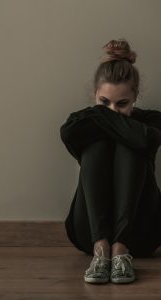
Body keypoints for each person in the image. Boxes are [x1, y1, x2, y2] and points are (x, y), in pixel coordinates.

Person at [60, 38, 161, 284]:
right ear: (95, 94)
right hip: (88, 232)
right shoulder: (81, 123)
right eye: (104, 103)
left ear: (135, 96)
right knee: (97, 145)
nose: (112, 110)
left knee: (132, 144)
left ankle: (120, 249)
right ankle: (102, 248)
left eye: (122, 103)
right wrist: (119, 123)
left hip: (142, 232)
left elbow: (146, 140)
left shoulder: (151, 121)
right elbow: (67, 133)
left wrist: (101, 116)